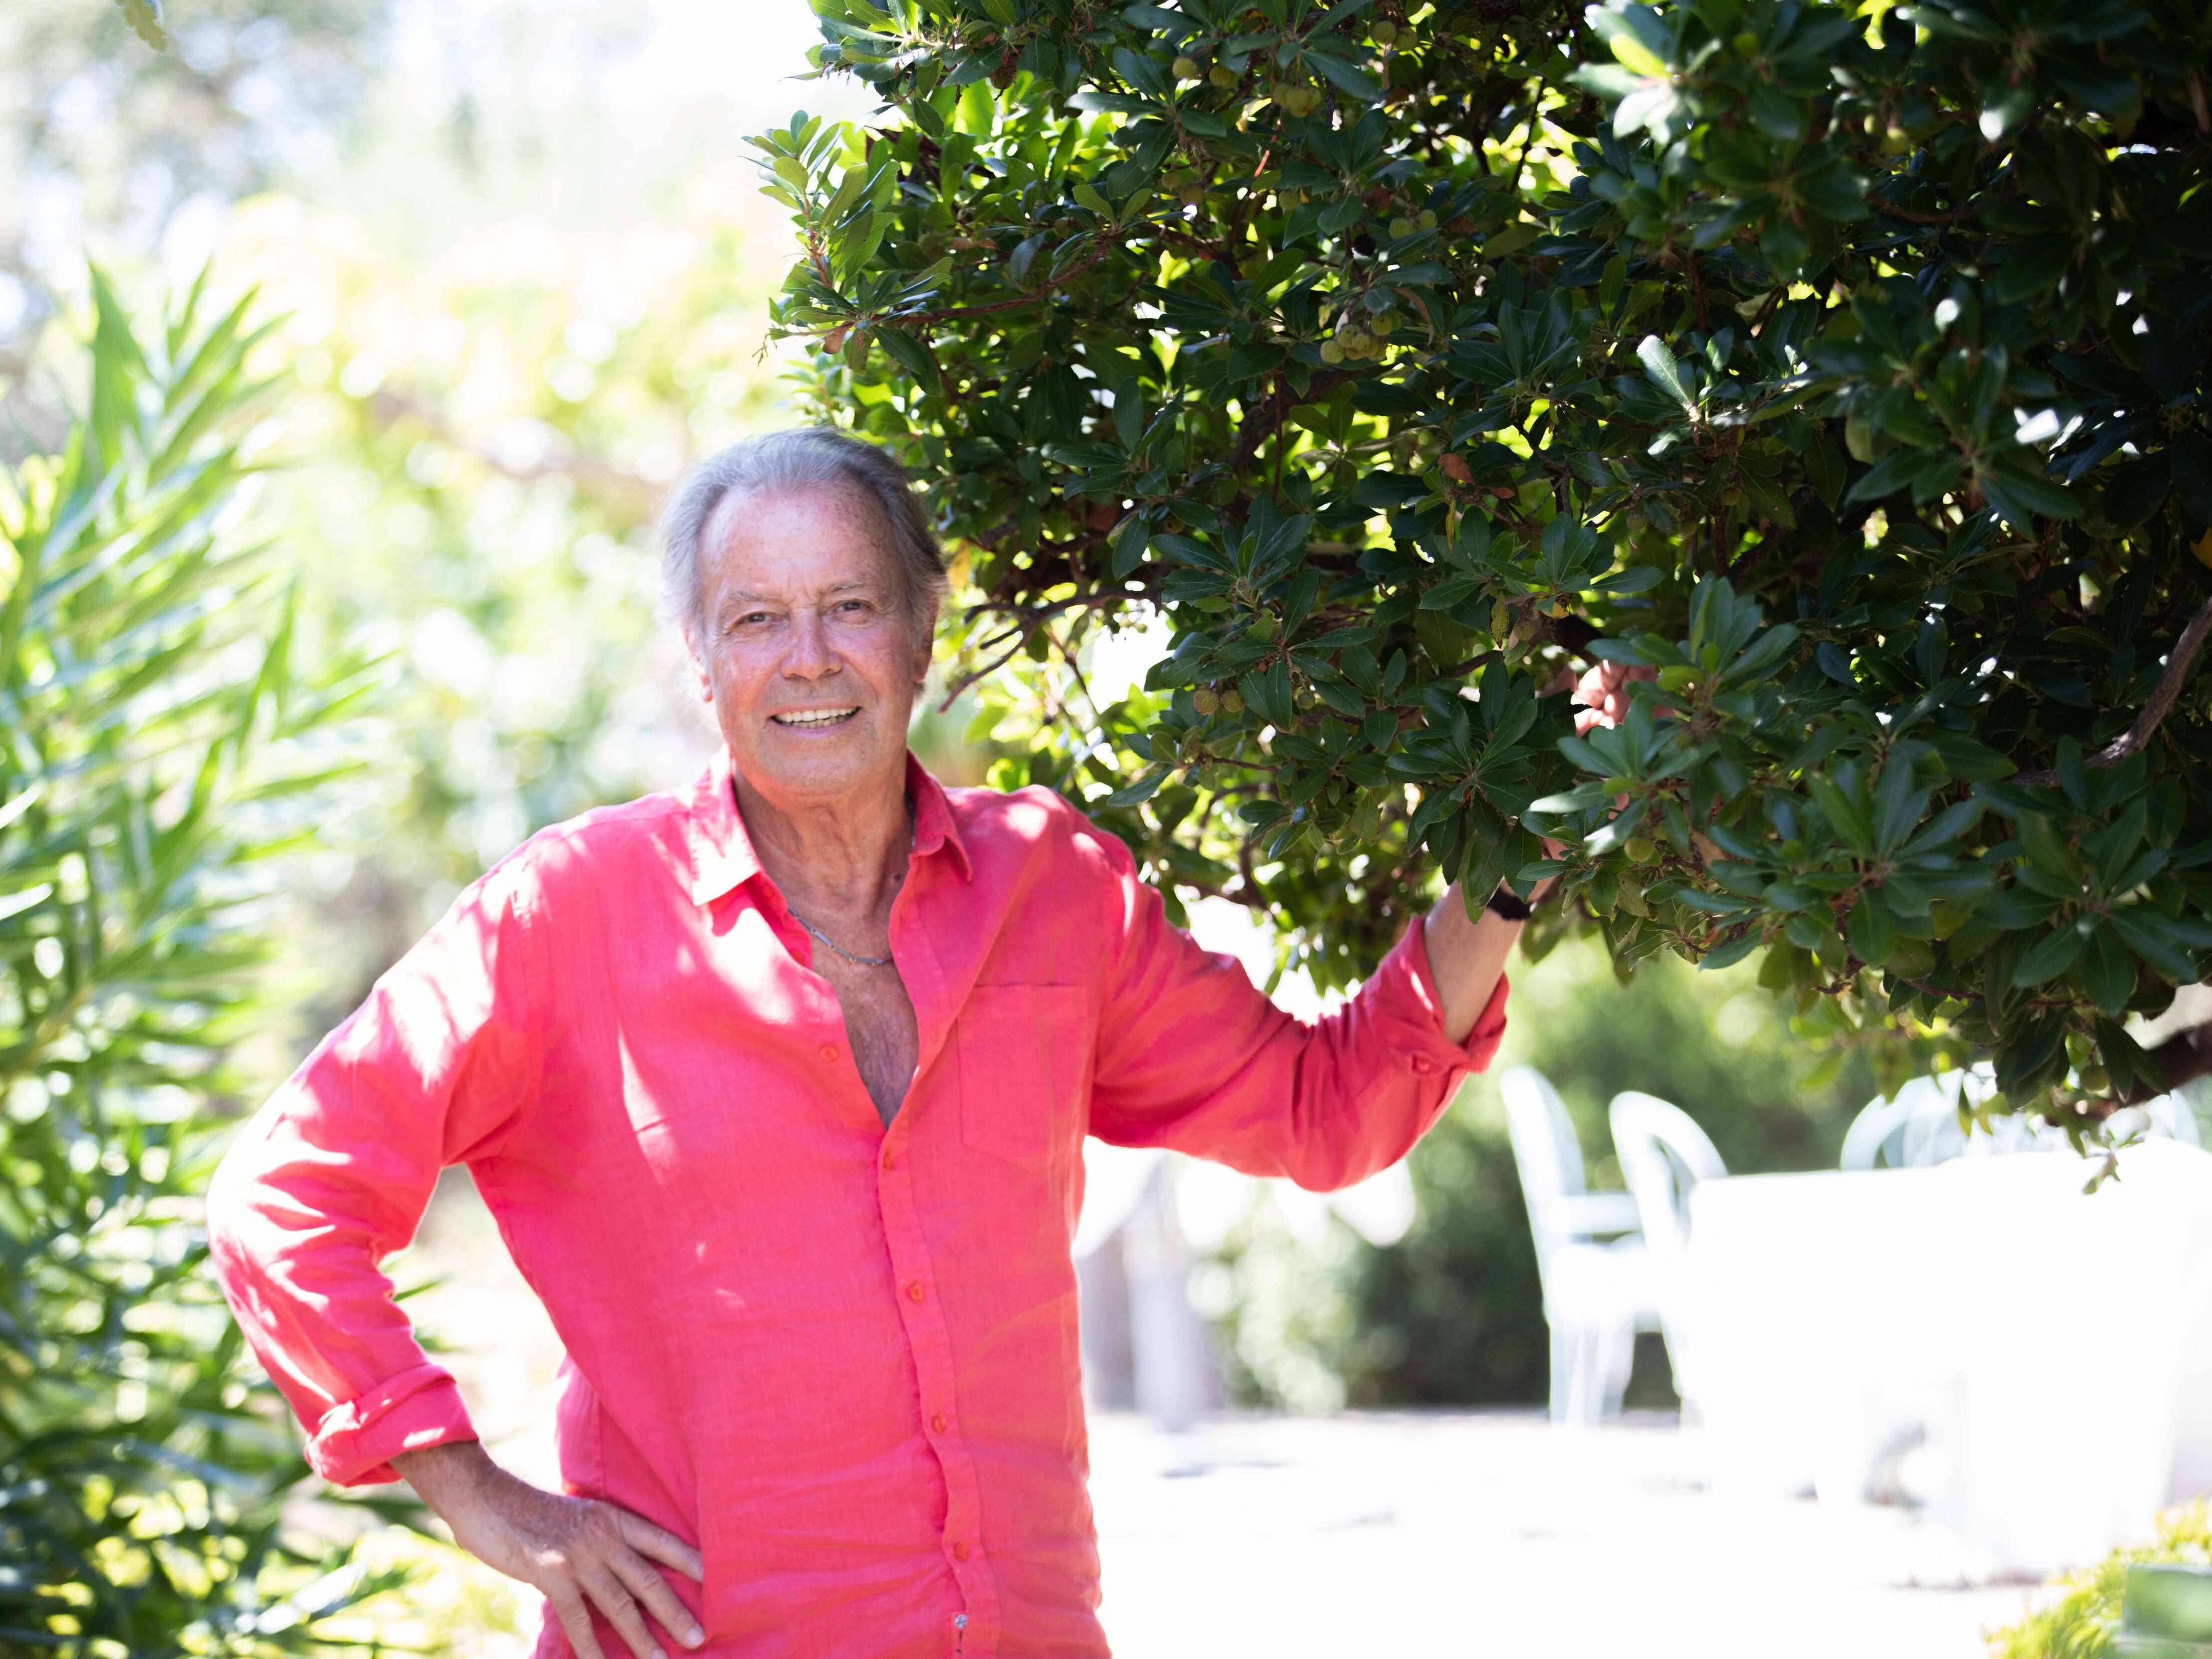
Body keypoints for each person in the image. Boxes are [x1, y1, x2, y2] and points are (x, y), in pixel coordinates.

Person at [207, 430, 1540, 1659]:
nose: (808, 657)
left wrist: (1520, 850)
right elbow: (283, 1199)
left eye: (848, 605)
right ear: (704, 659)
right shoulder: (571, 916)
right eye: (756, 620)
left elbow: (1326, 1110)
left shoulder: (1053, 892)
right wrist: (483, 1497)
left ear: (919, 629)